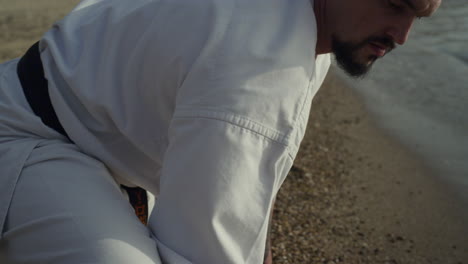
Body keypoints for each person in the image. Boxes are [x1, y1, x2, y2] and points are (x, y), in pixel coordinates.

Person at [0, 0, 441, 263]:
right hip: (33, 133)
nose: (402, 35)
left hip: (95, 124)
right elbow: (201, 254)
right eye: (395, 3)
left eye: (419, 15)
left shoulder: (299, 22)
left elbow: (245, 174)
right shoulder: (257, 67)